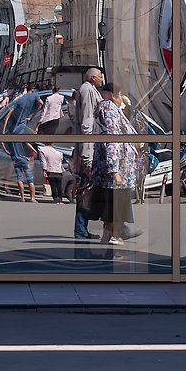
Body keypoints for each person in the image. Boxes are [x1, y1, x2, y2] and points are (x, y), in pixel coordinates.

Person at [87, 82, 138, 245]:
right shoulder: (109, 109)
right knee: (116, 204)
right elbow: (113, 139)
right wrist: (114, 170)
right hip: (117, 168)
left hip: (112, 167)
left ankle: (108, 237)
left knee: (111, 204)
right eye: (120, 95)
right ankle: (113, 236)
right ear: (111, 94)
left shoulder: (107, 108)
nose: (121, 99)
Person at [70, 67, 103, 239]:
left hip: (87, 149)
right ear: (93, 78)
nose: (102, 79)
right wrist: (89, 152)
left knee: (86, 190)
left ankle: (82, 228)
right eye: (100, 77)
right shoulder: (88, 90)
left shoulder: (87, 89)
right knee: (85, 190)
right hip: (88, 150)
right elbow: (87, 122)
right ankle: (80, 229)